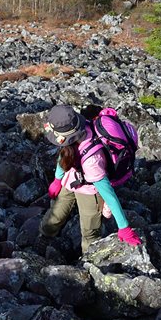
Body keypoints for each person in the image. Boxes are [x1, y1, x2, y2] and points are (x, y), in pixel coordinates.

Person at [39, 103, 142, 253]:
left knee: (89, 231)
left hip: (90, 190)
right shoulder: (81, 126)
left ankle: (89, 260)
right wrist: (57, 179)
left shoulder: (92, 161)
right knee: (55, 215)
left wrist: (124, 226)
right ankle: (44, 236)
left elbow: (108, 194)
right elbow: (65, 154)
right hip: (71, 178)